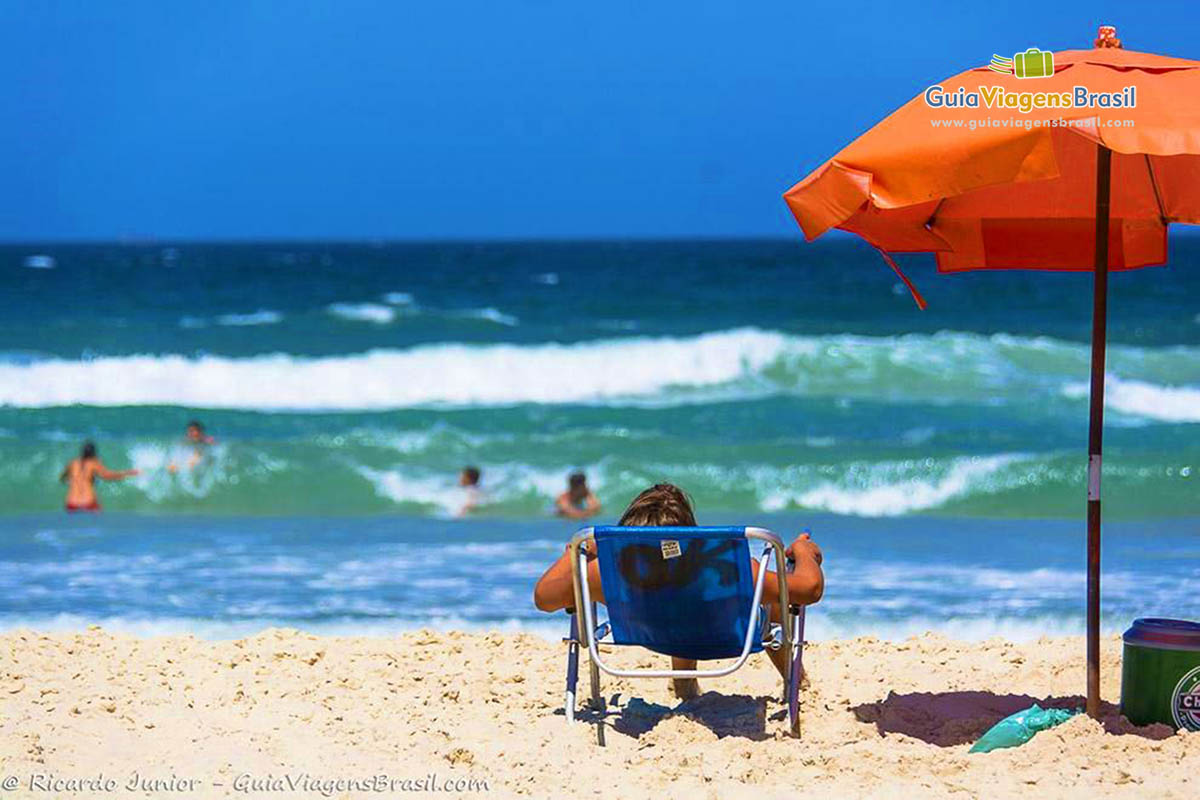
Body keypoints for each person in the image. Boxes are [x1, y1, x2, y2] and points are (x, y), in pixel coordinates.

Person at [533, 483, 823, 700]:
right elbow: (808, 589)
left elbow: (544, 599)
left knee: (675, 605)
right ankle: (792, 678)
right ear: (691, 534)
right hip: (723, 637)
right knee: (772, 600)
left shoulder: (606, 575)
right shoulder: (727, 569)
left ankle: (685, 685)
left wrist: (575, 551)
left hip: (655, 635)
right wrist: (804, 553)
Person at [59, 441, 139, 512]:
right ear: (93, 453)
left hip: (72, 503)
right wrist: (126, 473)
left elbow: (62, 478)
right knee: (99, 523)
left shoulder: (73, 463)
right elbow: (108, 476)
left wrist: (72, 481)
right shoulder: (94, 463)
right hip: (88, 502)